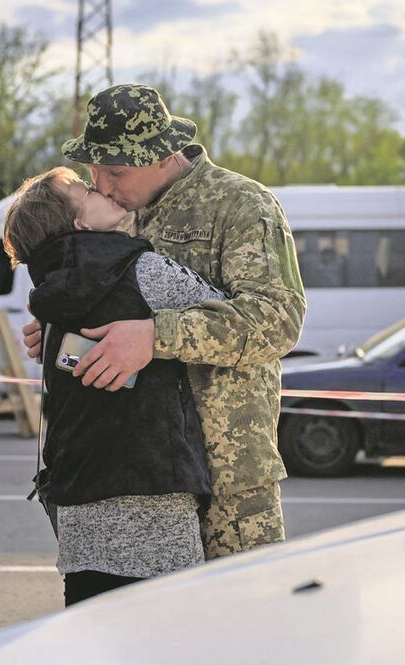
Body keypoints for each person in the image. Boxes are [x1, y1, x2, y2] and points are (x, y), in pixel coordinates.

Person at [22, 84, 307, 560]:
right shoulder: (114, 215)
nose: (103, 185)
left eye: (114, 171)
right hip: (143, 476)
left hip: (227, 477)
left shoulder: (240, 204)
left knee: (238, 622)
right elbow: (108, 313)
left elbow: (277, 319)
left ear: (163, 155)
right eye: (93, 172)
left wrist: (156, 337)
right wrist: (63, 336)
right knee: (146, 630)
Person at [4, 166, 219, 605]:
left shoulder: (49, 298)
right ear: (80, 223)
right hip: (156, 506)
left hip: (80, 508)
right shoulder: (144, 271)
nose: (100, 188)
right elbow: (232, 318)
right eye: (86, 190)